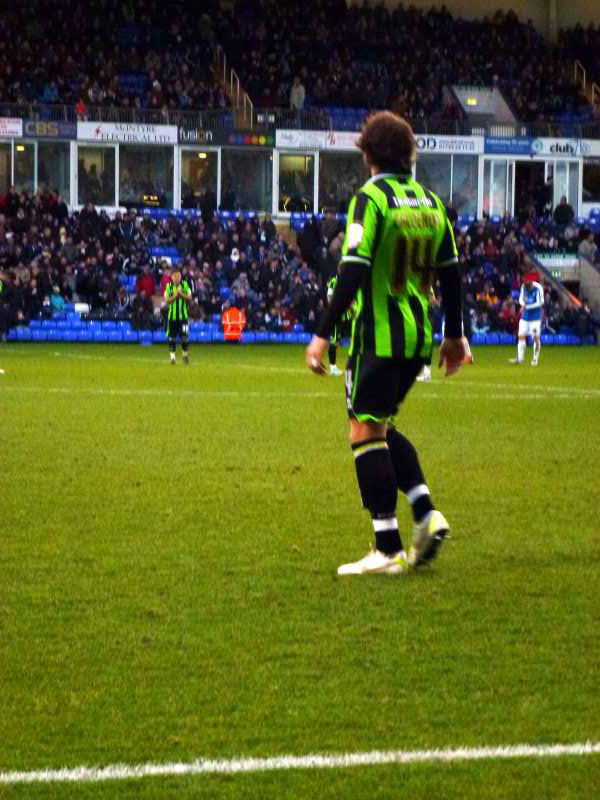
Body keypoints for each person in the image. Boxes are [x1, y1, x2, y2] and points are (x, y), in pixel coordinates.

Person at [305, 111, 469, 576]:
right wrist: (455, 335)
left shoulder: (370, 198)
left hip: (376, 336)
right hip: (417, 336)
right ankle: (425, 511)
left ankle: (387, 548)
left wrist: (322, 333)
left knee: (363, 433)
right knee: (380, 427)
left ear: (369, 154)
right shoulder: (431, 202)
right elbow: (452, 274)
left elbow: (353, 269)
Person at [510, 274, 544, 366]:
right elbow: (521, 298)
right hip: (525, 317)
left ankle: (535, 359)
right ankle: (520, 359)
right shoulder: (523, 286)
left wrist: (527, 306)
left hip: (535, 318)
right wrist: (522, 304)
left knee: (536, 338)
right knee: (521, 336)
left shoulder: (538, 288)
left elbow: (540, 302)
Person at [325, 272, 352, 376]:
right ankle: (333, 368)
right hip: (337, 316)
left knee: (356, 338)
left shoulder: (347, 280)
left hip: (347, 316)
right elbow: (329, 298)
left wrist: (352, 307)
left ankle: (355, 365)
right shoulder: (333, 281)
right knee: (334, 340)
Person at [164, 269, 192, 365]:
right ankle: (172, 357)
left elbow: (189, 298)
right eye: (175, 276)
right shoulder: (168, 287)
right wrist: (176, 296)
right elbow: (167, 300)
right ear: (171, 277)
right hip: (172, 318)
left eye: (179, 276)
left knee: (185, 338)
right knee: (171, 338)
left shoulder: (185, 285)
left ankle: (185, 356)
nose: (177, 278)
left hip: (183, 318)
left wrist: (181, 294)